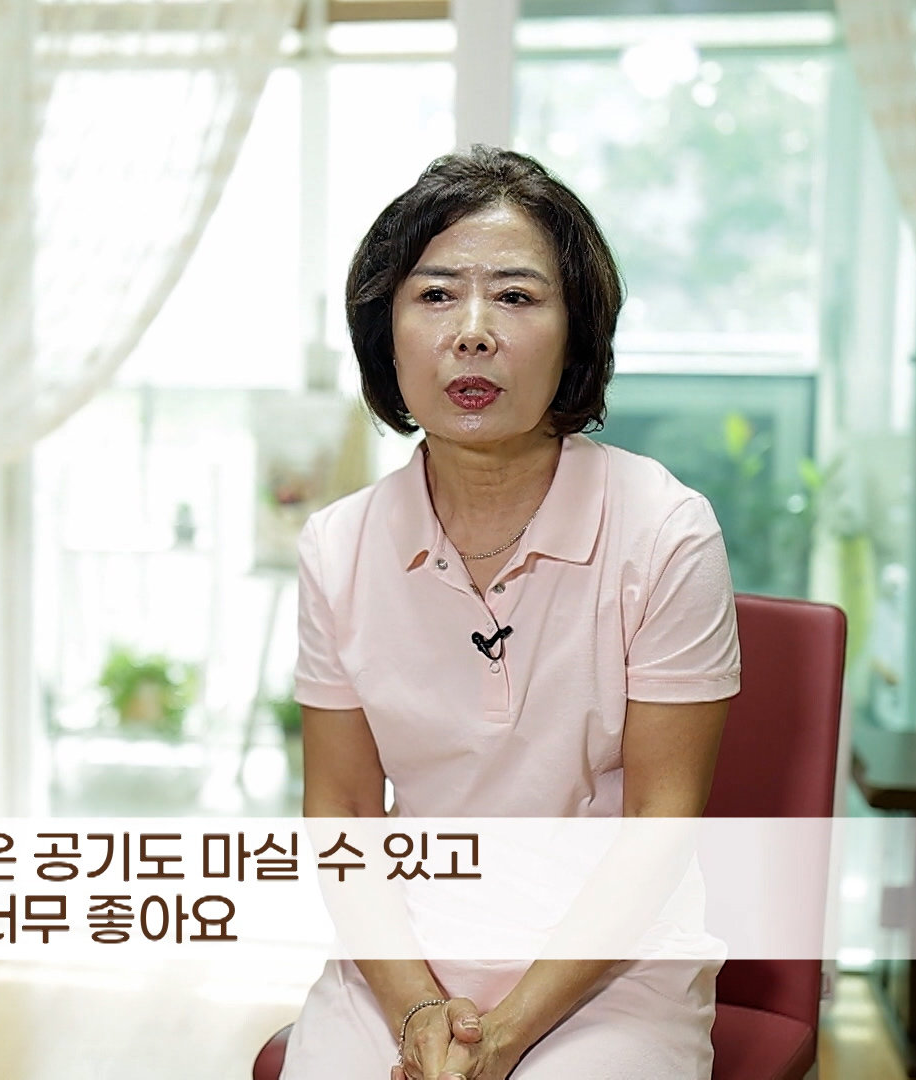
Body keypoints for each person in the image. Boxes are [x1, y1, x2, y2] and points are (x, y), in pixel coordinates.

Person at [279, 145, 740, 1079]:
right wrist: (418, 1011)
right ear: (385, 332)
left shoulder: (665, 531)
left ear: (577, 334)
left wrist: (503, 1036)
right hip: (403, 961)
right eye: (435, 294)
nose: (473, 332)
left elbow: (660, 822)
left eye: (518, 297)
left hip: (609, 970)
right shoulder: (337, 547)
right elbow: (343, 811)